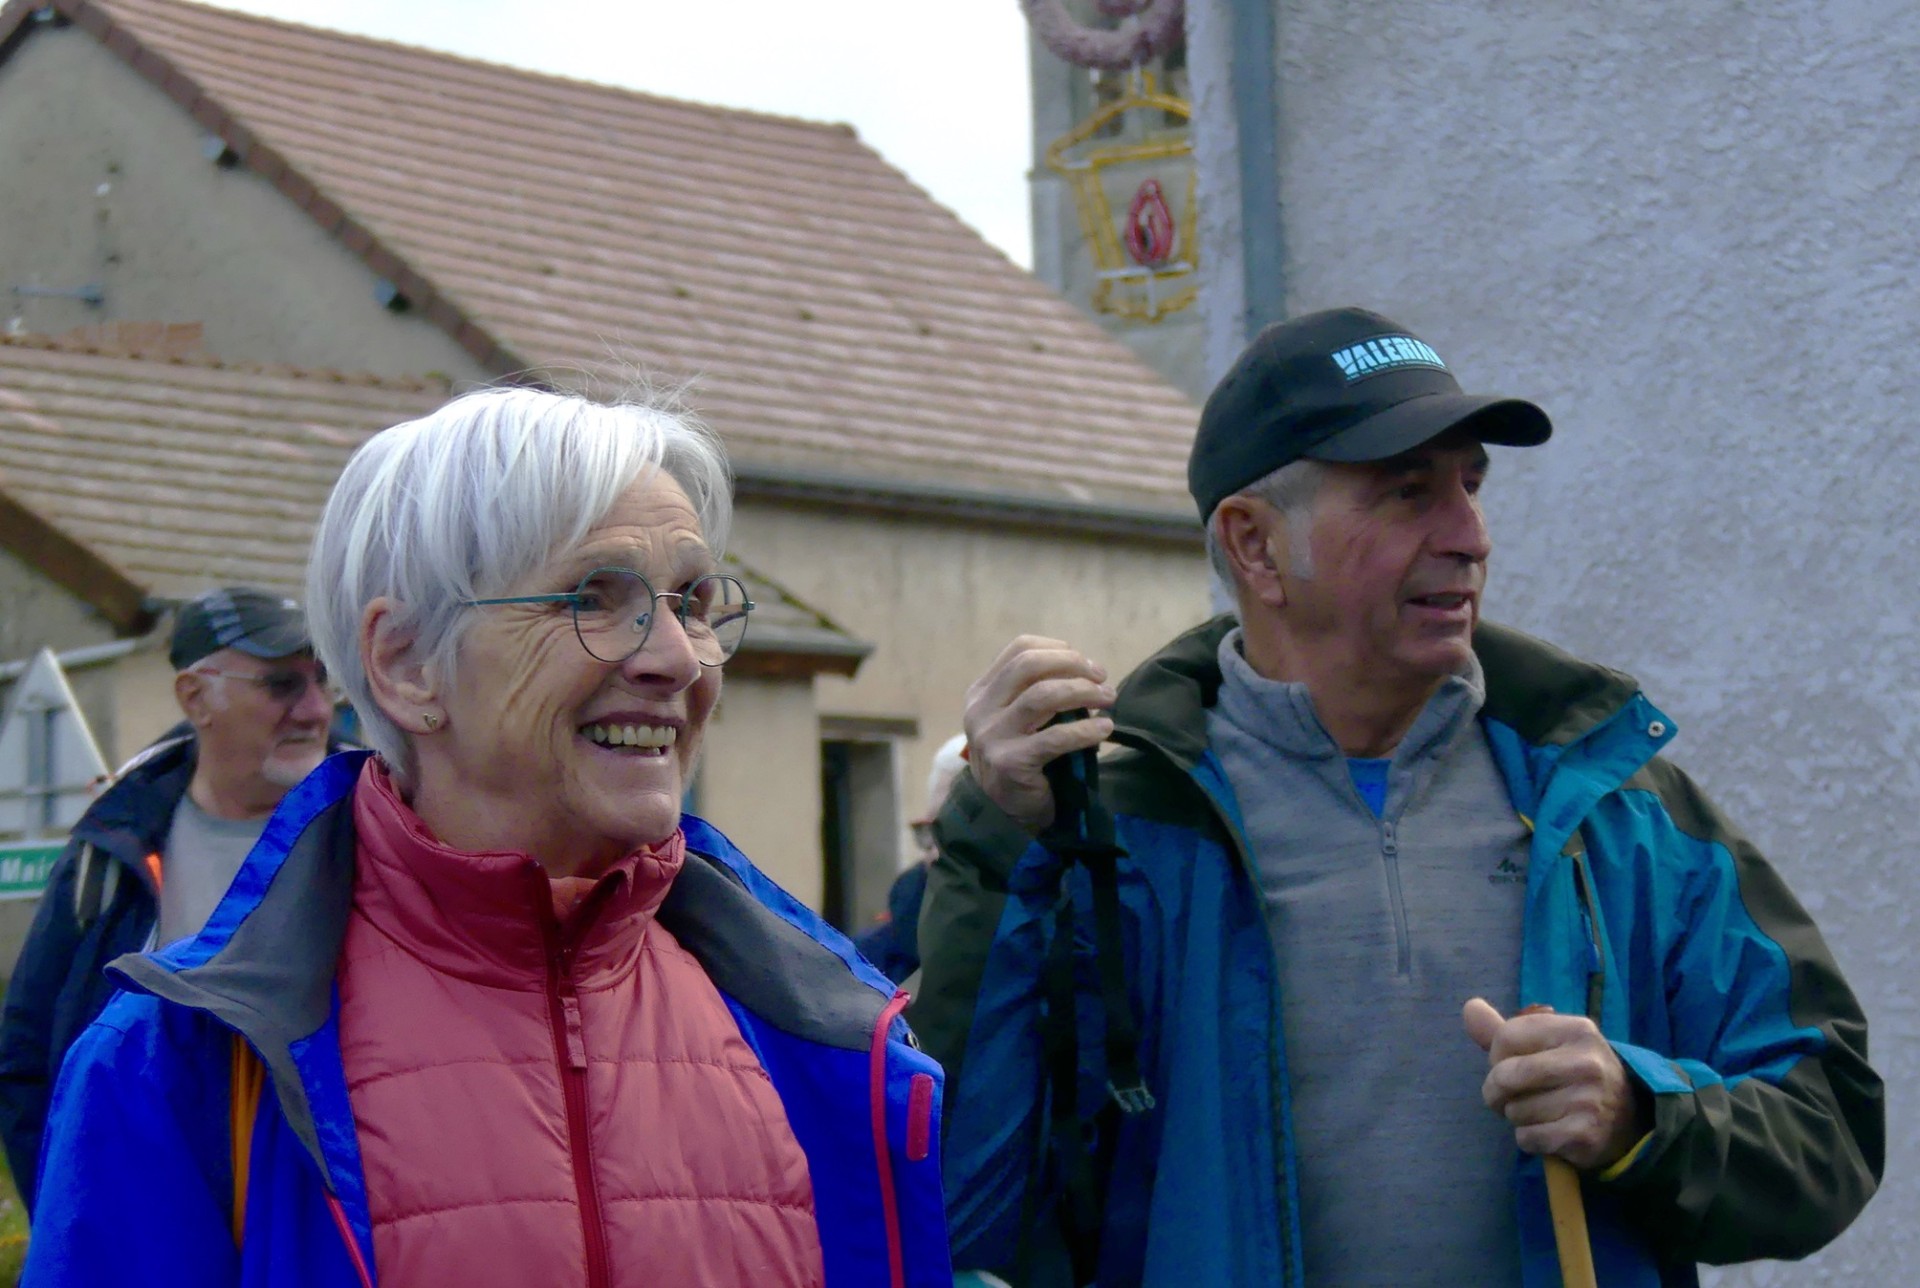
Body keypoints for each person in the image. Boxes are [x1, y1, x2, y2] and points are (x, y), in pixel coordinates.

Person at [914, 308, 1882, 1287]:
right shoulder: (1114, 835)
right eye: (1408, 491)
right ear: (1254, 546)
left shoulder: (1614, 805)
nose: (1471, 536)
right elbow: (954, 1206)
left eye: (1470, 483)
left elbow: (1830, 1125)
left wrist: (1645, 1111)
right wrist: (997, 835)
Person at [22, 387, 951, 1286]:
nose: (676, 658)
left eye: (694, 603)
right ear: (407, 664)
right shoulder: (180, 1068)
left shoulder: (828, 1043)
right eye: (594, 596)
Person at [0, 587, 336, 1211]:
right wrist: (75, 1225)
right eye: (281, 684)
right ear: (195, 697)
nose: (316, 709)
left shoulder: (381, 830)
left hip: (329, 1225)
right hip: (154, 1224)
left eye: (323, 680)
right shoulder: (111, 849)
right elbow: (28, 1055)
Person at [856, 733, 968, 984]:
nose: (937, 853)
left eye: (961, 830)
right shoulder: (867, 964)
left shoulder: (1060, 957)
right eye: (932, 831)